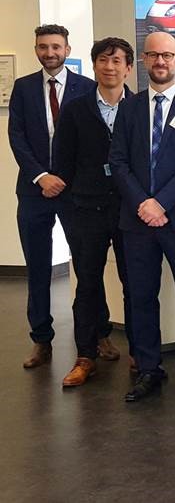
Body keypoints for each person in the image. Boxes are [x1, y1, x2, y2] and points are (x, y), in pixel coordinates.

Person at [108, 32, 175, 402]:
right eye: (153, 55)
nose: (160, 62)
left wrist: (161, 204)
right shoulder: (129, 107)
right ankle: (149, 369)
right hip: (136, 221)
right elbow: (117, 162)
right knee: (140, 297)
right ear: (143, 60)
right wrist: (144, 203)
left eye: (167, 55)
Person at [8, 24, 97, 369]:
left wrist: (64, 179)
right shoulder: (23, 88)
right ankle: (41, 340)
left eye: (56, 46)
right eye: (43, 47)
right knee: (38, 267)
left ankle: (98, 333)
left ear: (67, 48)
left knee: (87, 266)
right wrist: (42, 176)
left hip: (75, 192)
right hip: (33, 190)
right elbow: (17, 137)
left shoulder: (86, 88)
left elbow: (90, 144)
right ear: (36, 49)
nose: (50, 53)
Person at [53, 37, 136, 386]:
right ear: (94, 65)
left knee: (135, 284)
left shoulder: (141, 108)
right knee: (87, 284)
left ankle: (140, 353)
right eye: (103, 60)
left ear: (128, 68)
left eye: (117, 61)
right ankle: (85, 355)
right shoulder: (75, 109)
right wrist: (70, 208)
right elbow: (62, 162)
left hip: (131, 209)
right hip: (87, 208)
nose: (110, 66)